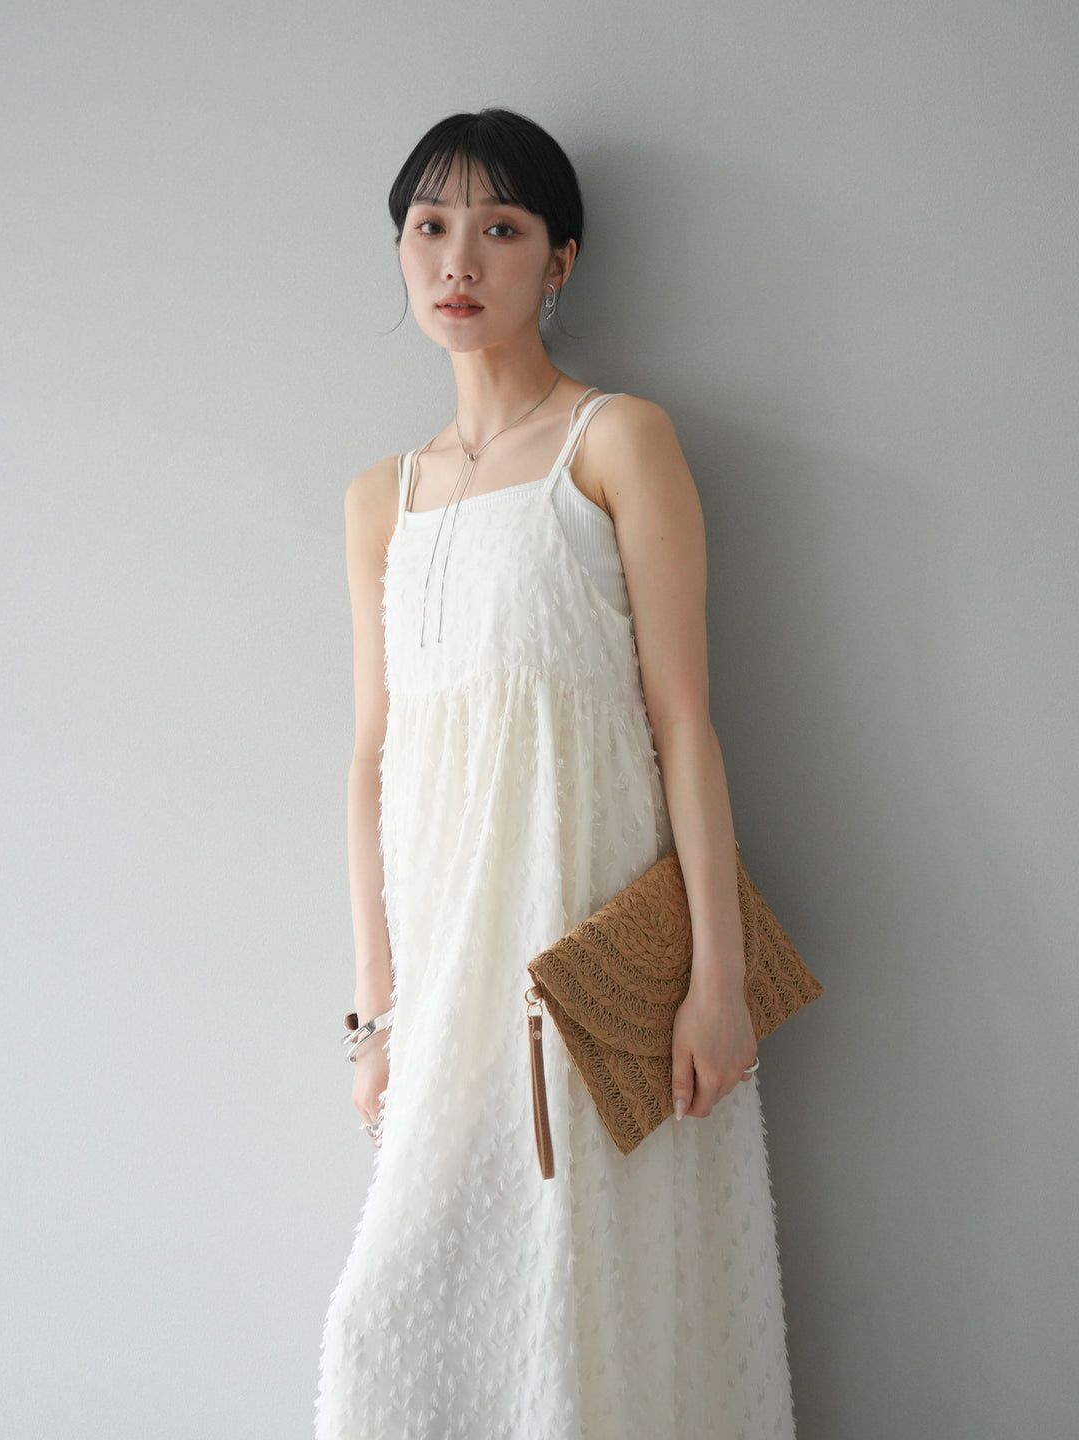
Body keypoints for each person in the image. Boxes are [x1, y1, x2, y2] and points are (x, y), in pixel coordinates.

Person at [315, 107, 796, 1439]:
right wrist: (375, 1016)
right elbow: (371, 753)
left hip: (589, 963)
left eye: (502, 227)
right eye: (430, 227)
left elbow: (686, 722)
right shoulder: (380, 498)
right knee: (384, 1328)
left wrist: (715, 985)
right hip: (445, 975)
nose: (459, 258)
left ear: (560, 260)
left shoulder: (617, 441)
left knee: (585, 1310)